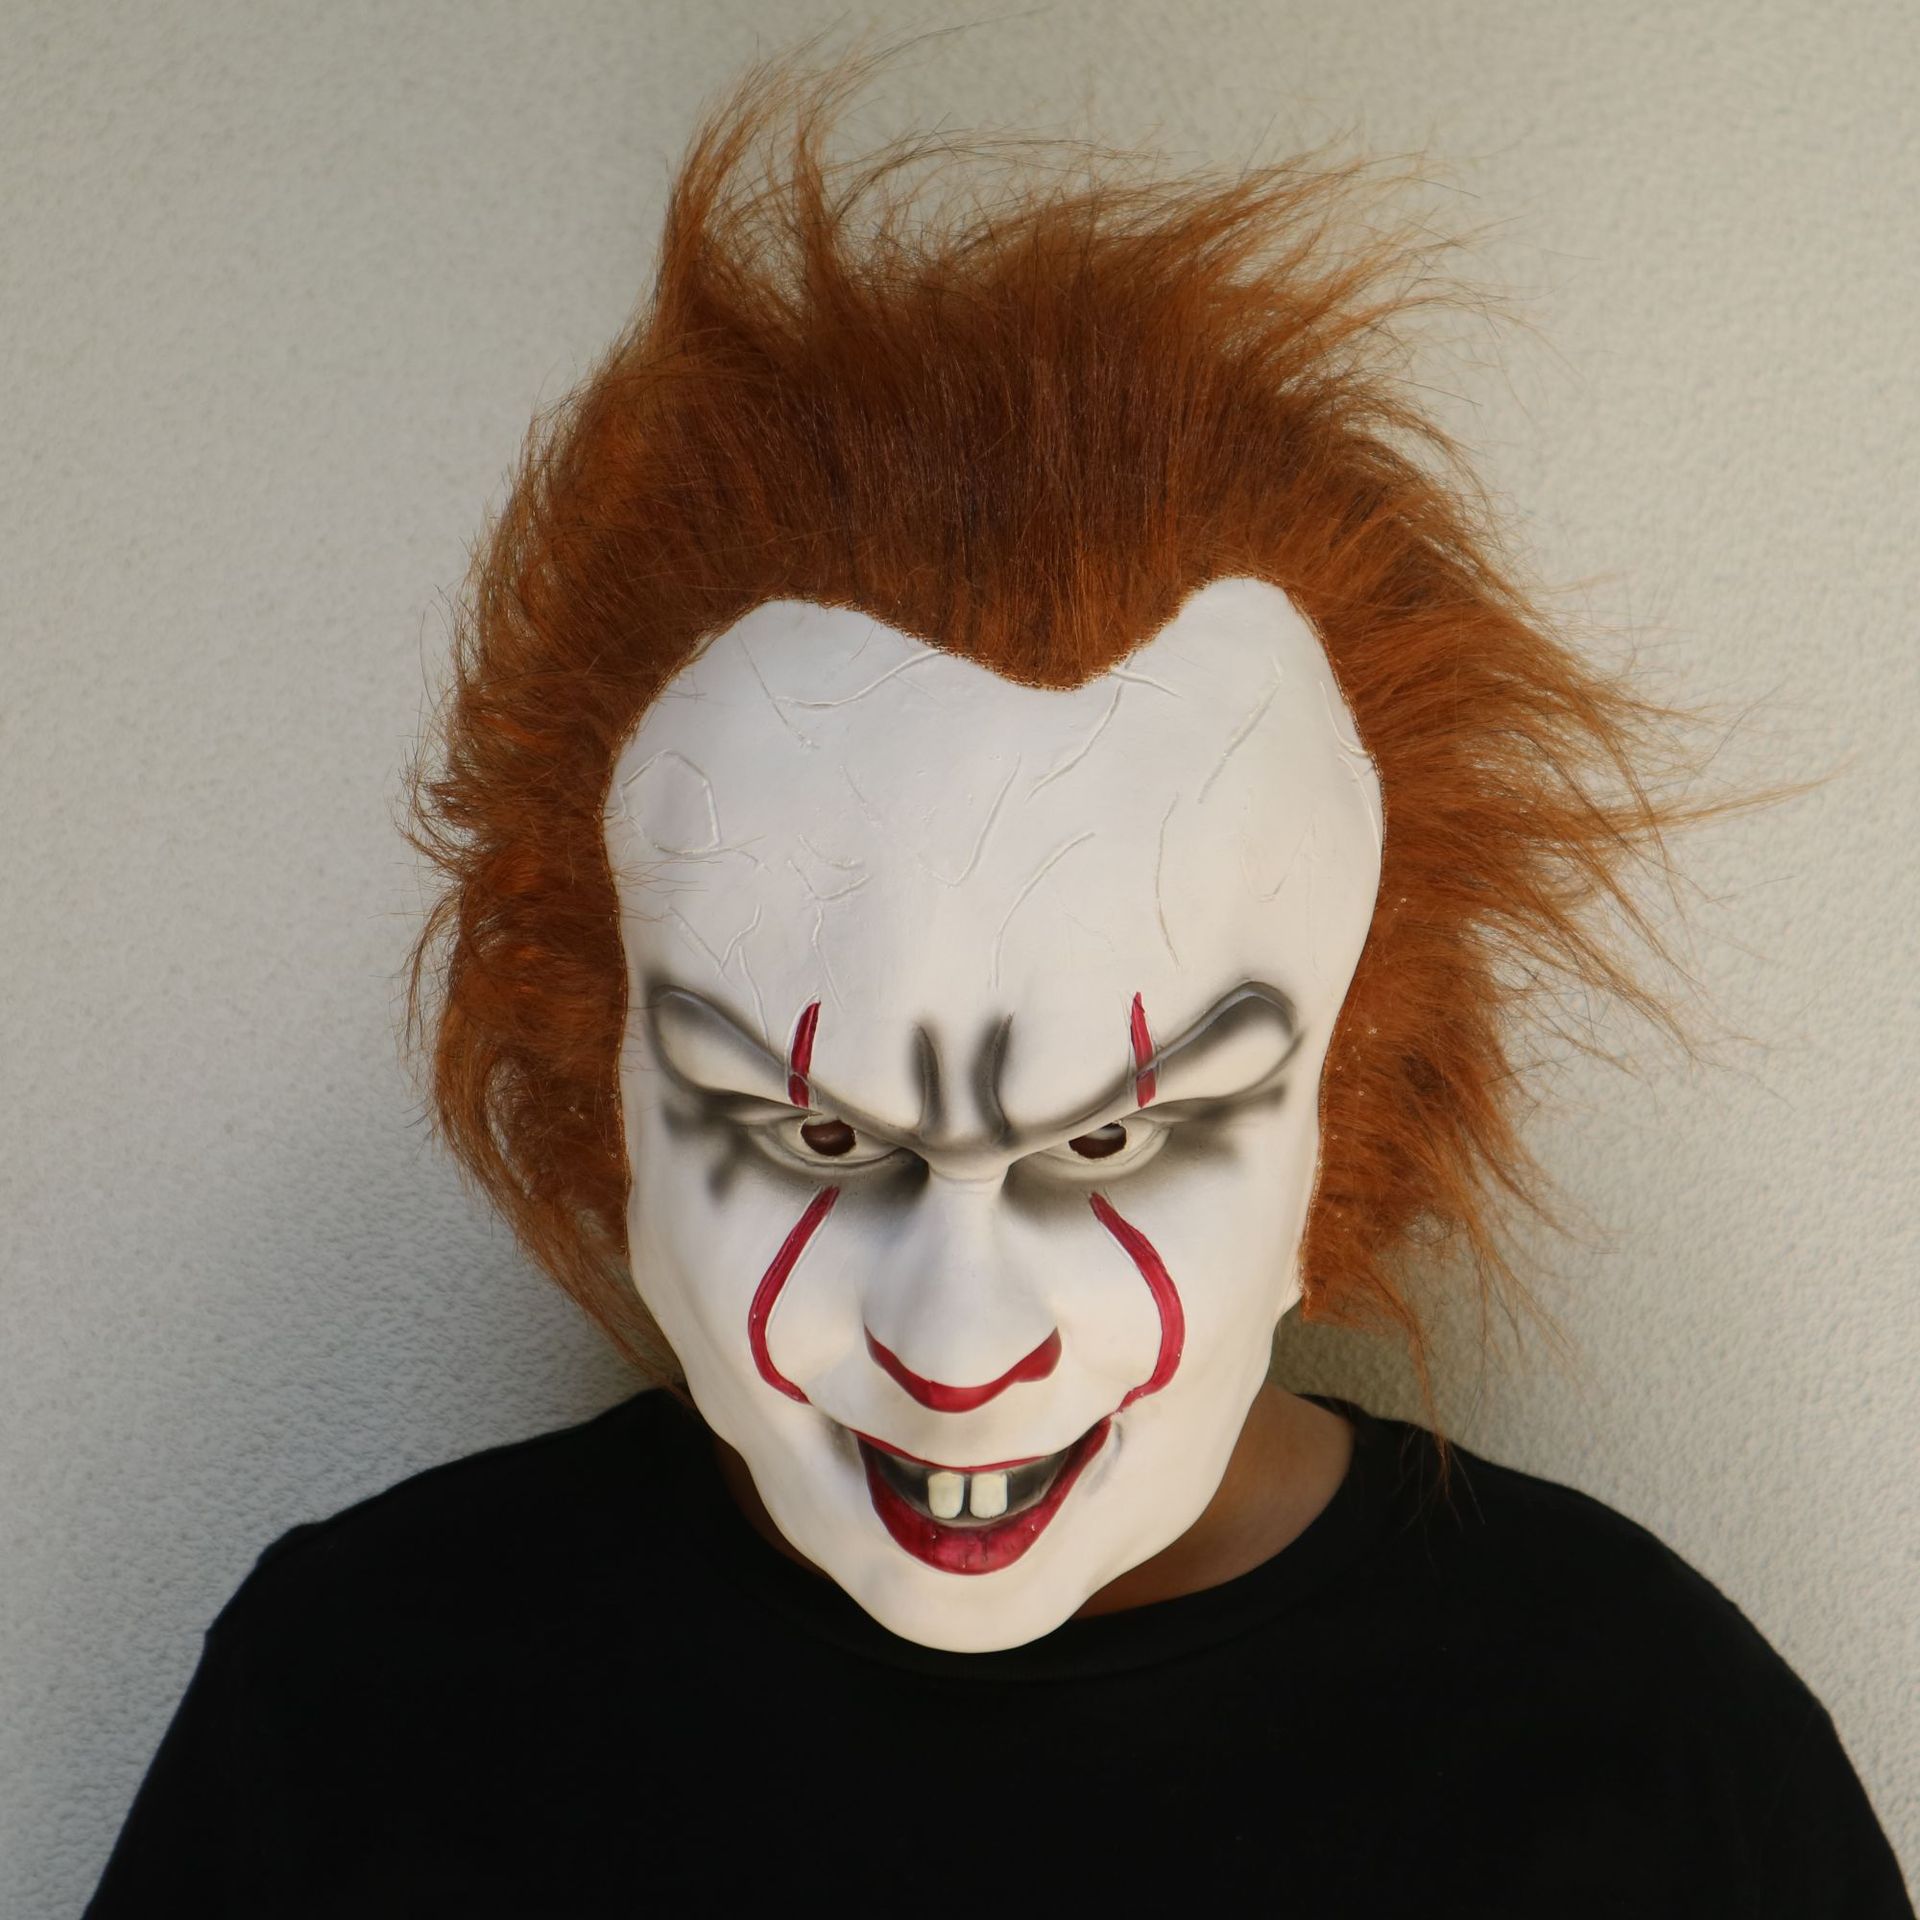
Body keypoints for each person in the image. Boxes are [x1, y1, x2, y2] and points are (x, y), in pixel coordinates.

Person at [87, 60, 1912, 1915]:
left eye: (1115, 1137)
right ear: (601, 1098)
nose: (961, 1350)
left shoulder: (1653, 1754)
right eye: (814, 1136)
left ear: (1353, 1114)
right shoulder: (360, 1705)